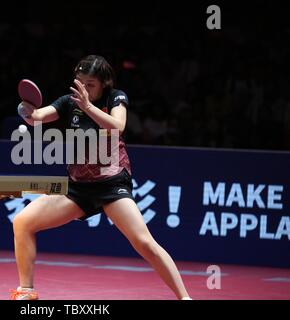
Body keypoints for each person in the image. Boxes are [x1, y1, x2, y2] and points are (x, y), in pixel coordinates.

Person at [12, 55, 191, 300]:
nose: (84, 89)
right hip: (78, 189)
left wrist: (88, 106)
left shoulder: (115, 97)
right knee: (22, 222)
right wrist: (27, 112)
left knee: (144, 243)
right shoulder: (68, 102)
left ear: (104, 83)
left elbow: (118, 126)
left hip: (112, 185)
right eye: (80, 82)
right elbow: (39, 117)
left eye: (91, 84)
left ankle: (185, 298)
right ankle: (27, 291)